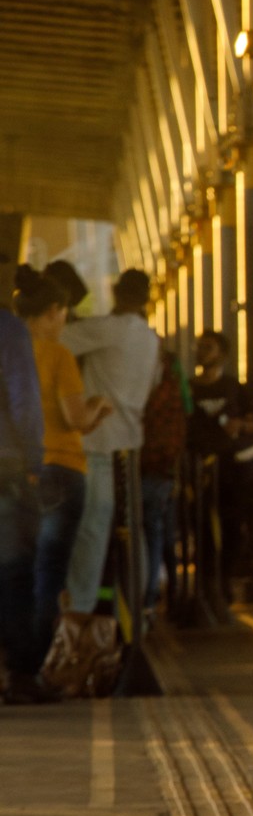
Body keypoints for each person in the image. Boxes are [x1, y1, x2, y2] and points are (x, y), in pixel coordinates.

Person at [14, 265, 112, 672]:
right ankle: (36, 664)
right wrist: (98, 409)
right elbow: (75, 420)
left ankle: (14, 662)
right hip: (62, 469)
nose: (66, 321)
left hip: (19, 472)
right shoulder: (58, 355)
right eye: (64, 313)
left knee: (18, 568)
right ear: (53, 311)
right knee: (50, 571)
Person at [58, 268, 159, 615]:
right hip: (130, 445)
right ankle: (139, 606)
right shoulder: (149, 338)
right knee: (132, 529)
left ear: (117, 292)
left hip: (98, 444)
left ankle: (79, 612)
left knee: (92, 531)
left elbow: (55, 338)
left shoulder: (109, 330)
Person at [188, 331, 253, 596]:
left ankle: (224, 580)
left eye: (208, 347)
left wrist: (238, 425)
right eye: (199, 347)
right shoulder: (189, 389)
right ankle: (205, 585)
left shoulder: (233, 388)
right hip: (200, 468)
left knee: (232, 525)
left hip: (233, 470)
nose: (201, 352)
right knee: (202, 526)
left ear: (222, 355)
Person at [1, 290, 47, 702]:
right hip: (5, 467)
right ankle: (20, 676)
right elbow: (24, 400)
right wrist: (35, 461)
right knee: (14, 573)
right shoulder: (8, 329)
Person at [139, 344, 188, 616]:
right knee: (157, 532)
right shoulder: (172, 390)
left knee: (142, 533)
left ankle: (144, 595)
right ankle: (153, 597)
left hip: (138, 465)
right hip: (163, 470)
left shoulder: (139, 385)